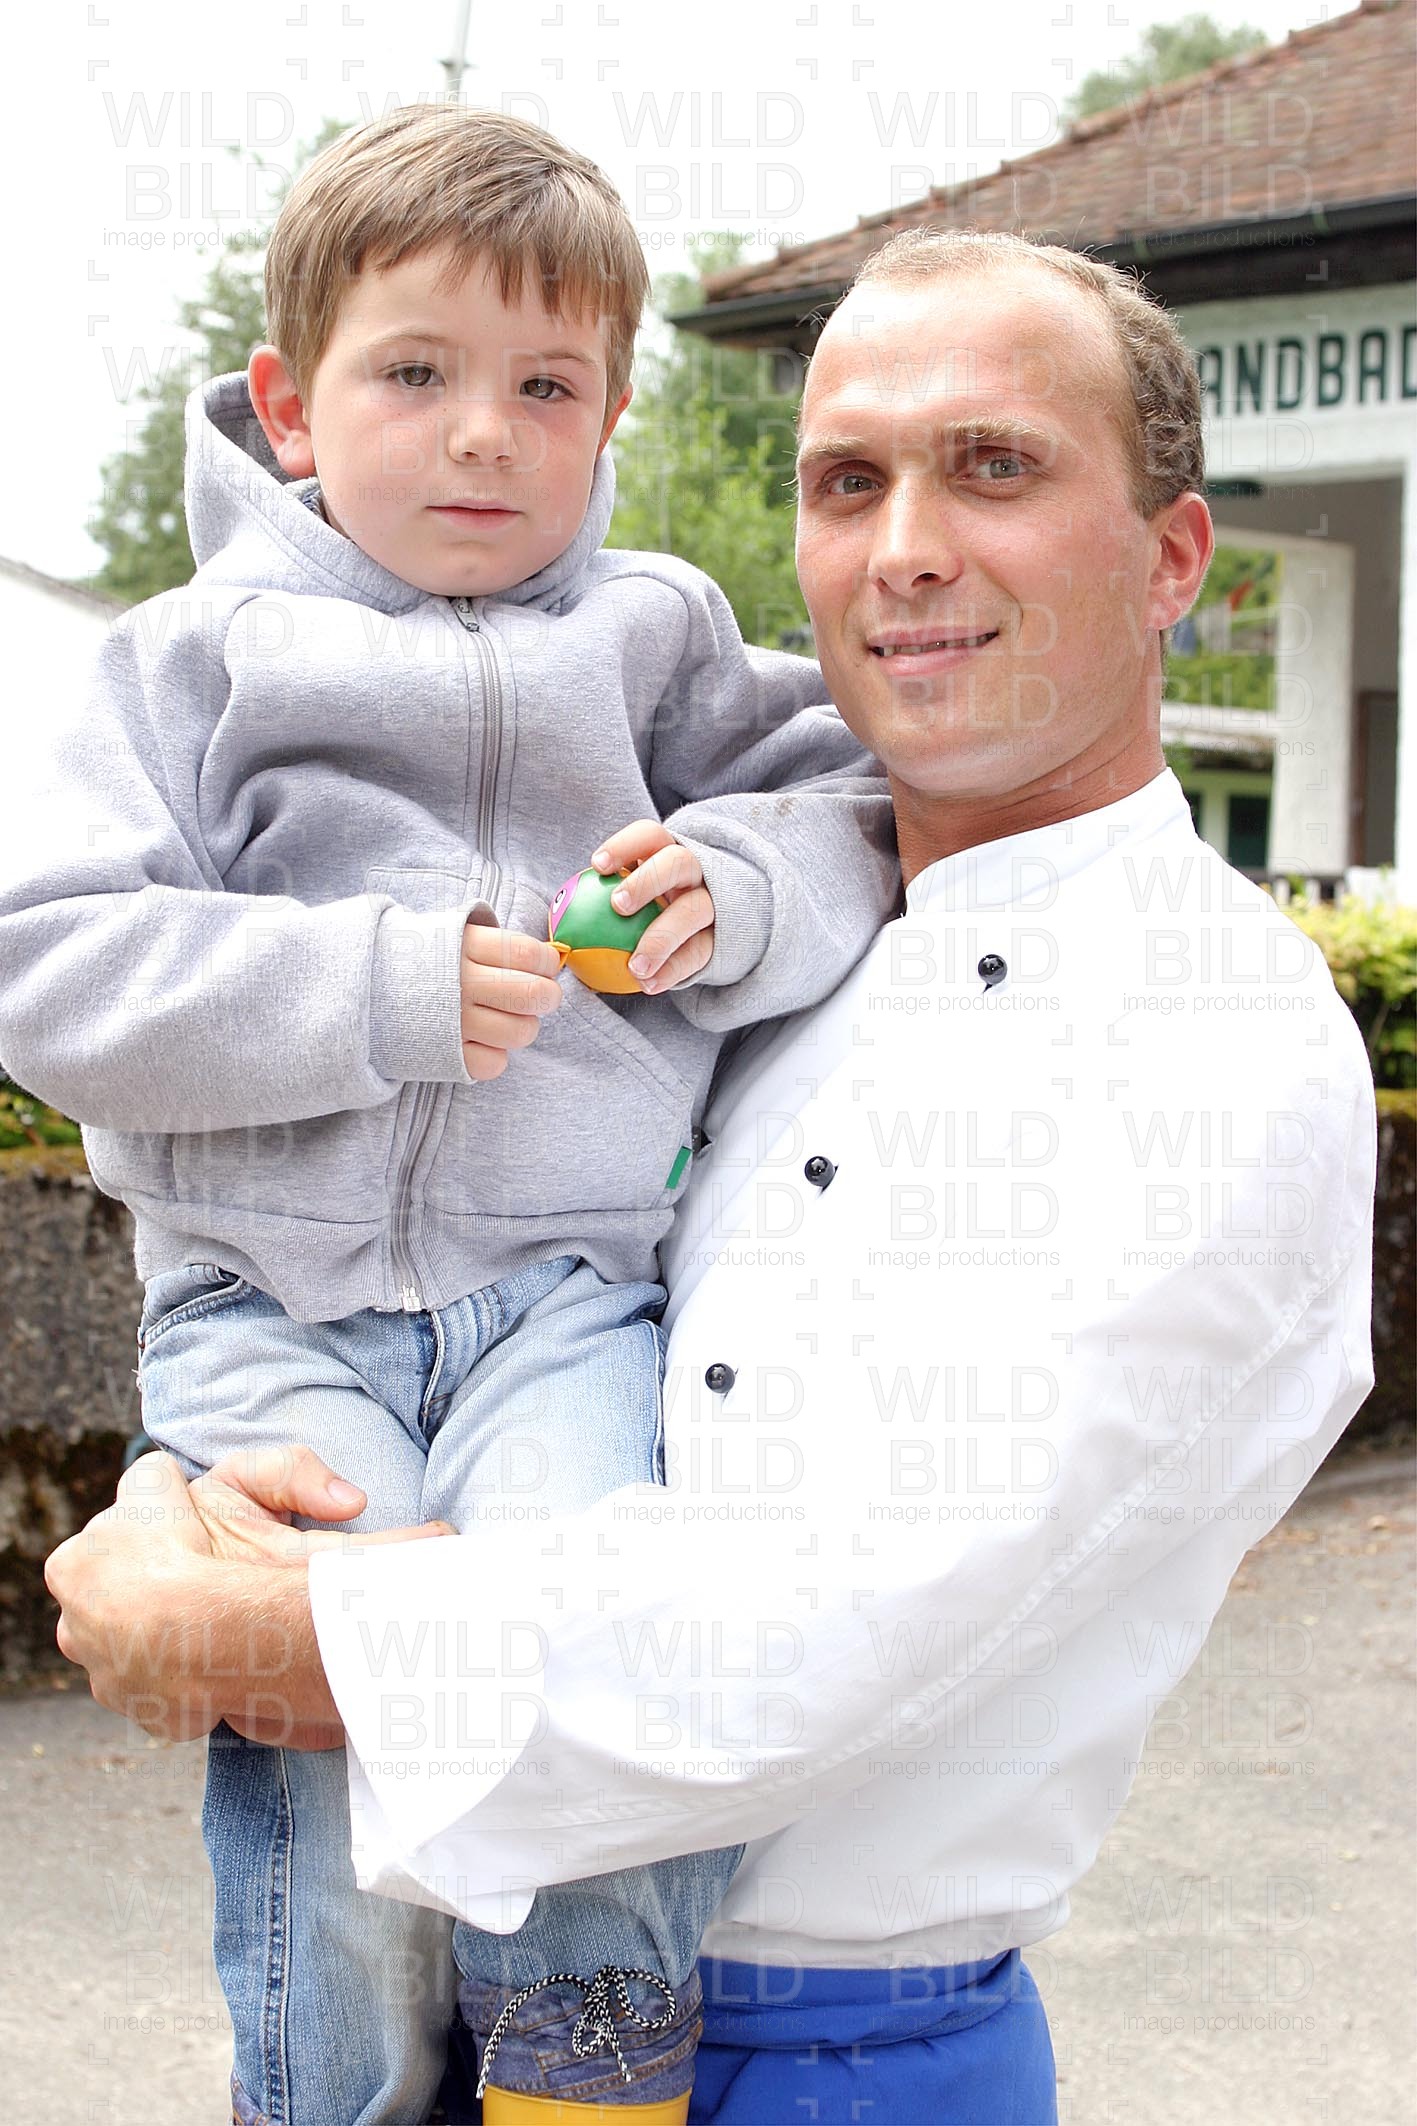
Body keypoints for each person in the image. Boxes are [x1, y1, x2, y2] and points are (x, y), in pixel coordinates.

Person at [45, 229, 1377, 2125]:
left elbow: (816, 1624)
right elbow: (432, 1253)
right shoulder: (737, 933)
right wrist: (220, 1463)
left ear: (1170, 560)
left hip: (834, 2059)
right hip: (461, 2015)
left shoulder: (1212, 1033)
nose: (903, 546)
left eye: (992, 466)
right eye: (846, 482)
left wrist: (263, 1626)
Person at [6, 104, 897, 2126]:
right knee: (316, 1721)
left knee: (602, 1666)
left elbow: (854, 803)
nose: (484, 434)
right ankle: (323, 2098)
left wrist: (736, 888)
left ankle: (586, 2084)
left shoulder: (659, 636)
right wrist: (376, 992)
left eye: (546, 387)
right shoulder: (184, 663)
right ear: (289, 405)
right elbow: (44, 968)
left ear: (610, 414)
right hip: (268, 1313)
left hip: (564, 1300)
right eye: (415, 373)